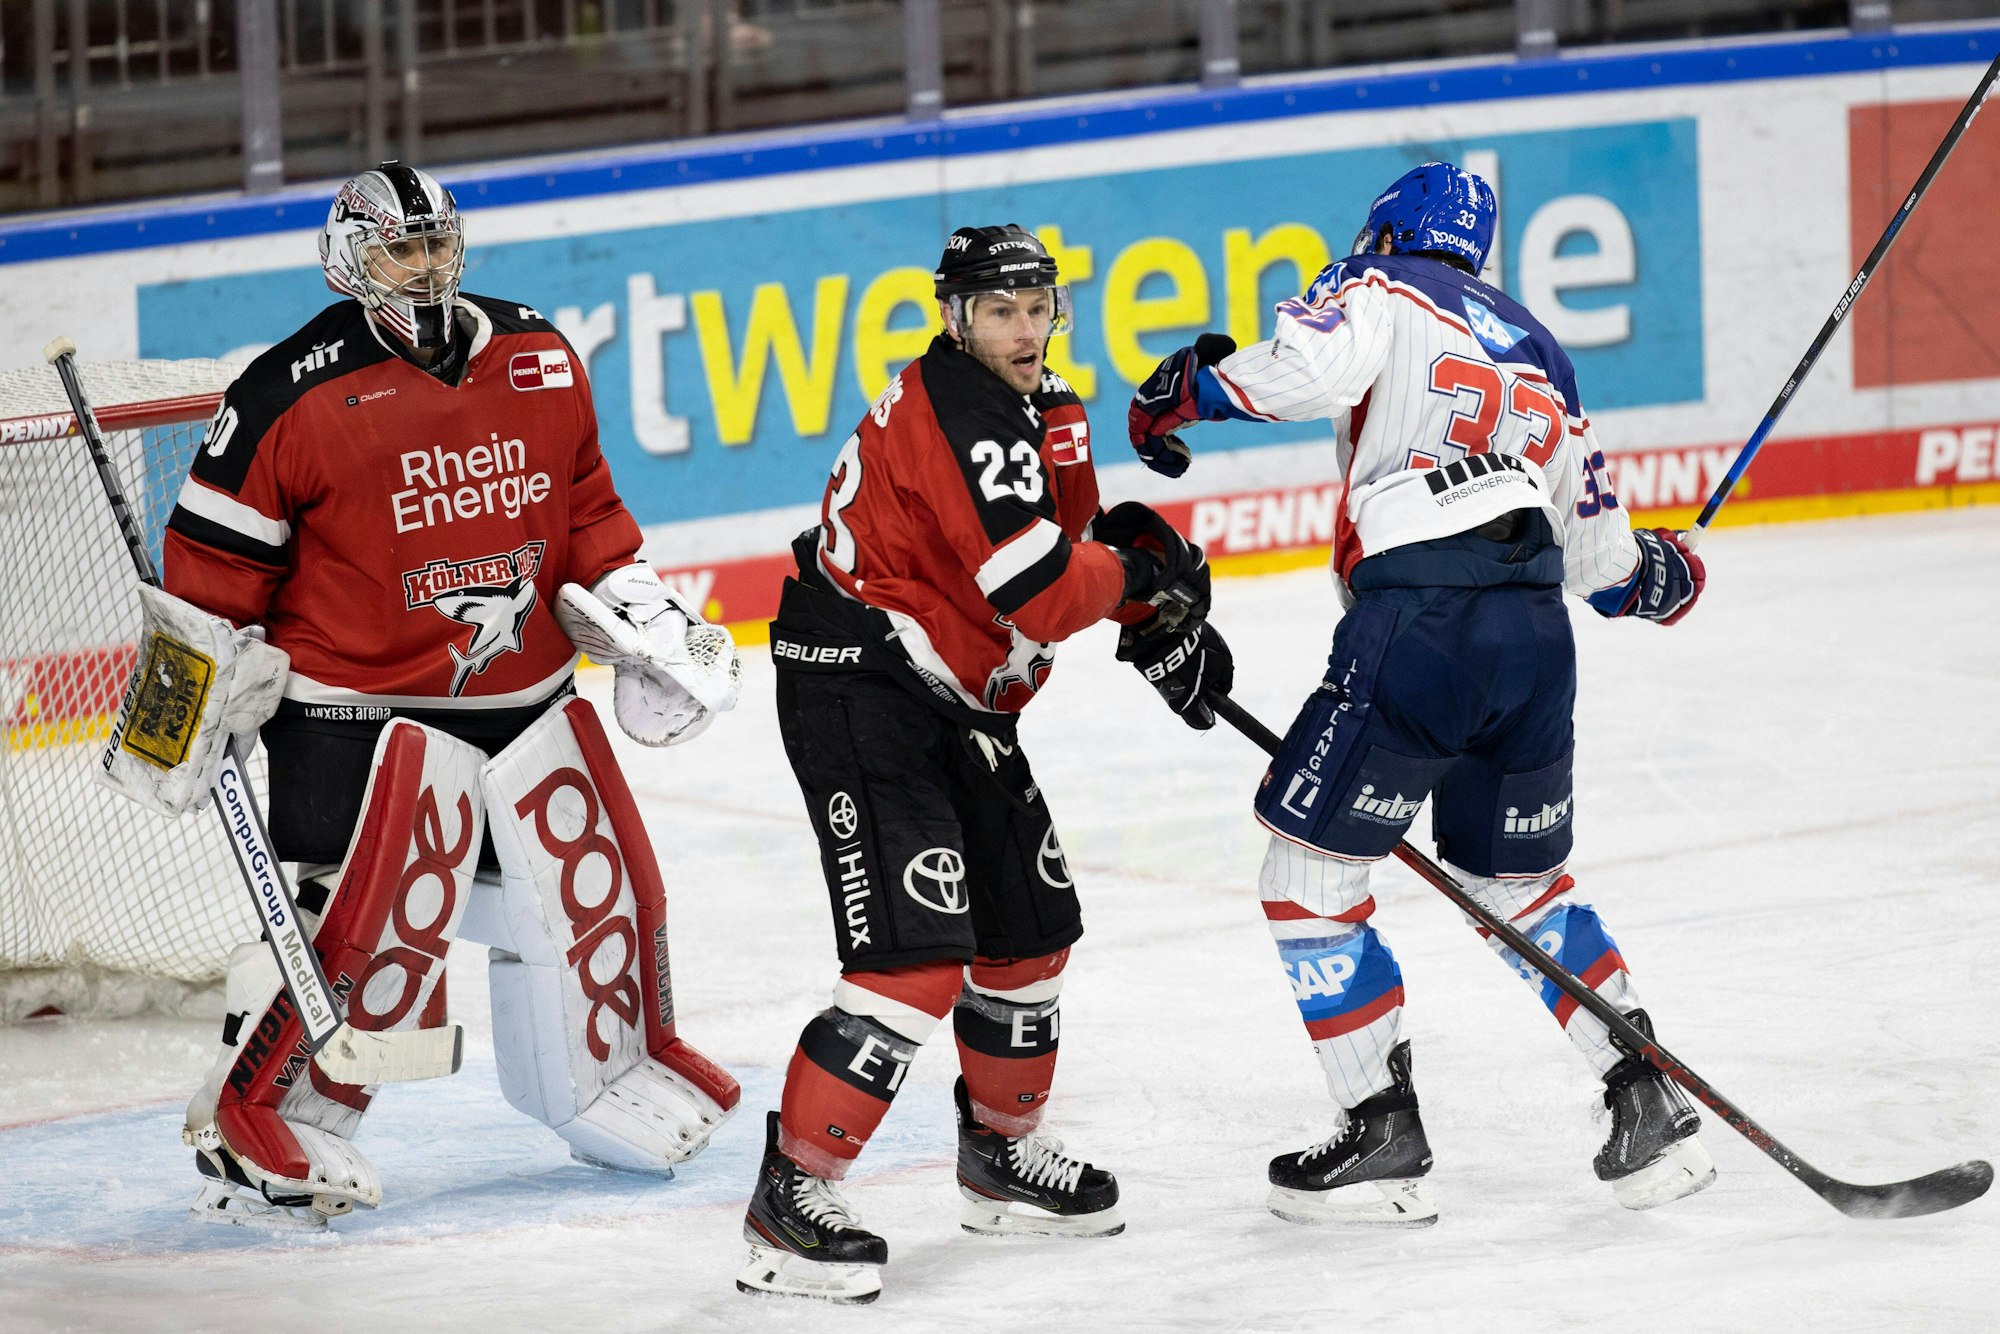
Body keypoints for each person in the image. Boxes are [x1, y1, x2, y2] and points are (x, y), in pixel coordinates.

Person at [97, 162, 743, 1229]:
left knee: (587, 891)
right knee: (366, 929)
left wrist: (637, 614)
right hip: (357, 710)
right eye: (402, 246)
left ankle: (606, 1073)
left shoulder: (537, 351)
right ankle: (260, 1111)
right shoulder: (287, 392)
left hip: (524, 694)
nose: (427, 264)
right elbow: (206, 572)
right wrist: (184, 708)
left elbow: (583, 506)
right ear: (353, 256)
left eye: (438, 242)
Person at [1124, 162, 1714, 1226]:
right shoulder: (1536, 344)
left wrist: (1186, 391)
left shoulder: (1375, 285)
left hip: (1420, 628)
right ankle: (1641, 1090)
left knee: (1305, 882)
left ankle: (1378, 1131)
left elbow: (1299, 372)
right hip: (1535, 634)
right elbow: (1606, 564)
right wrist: (1657, 574)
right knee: (1514, 881)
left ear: (1387, 226)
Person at [736, 224, 1232, 1303]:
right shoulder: (959, 407)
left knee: (1027, 935)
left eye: (1037, 306)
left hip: (955, 694)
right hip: (859, 684)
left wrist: (1150, 601)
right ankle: (790, 1195)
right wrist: (1138, 576)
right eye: (999, 309)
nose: (1023, 327)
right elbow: (1045, 592)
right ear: (955, 316)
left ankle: (997, 1159)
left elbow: (1068, 541)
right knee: (911, 960)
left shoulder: (1048, 408)